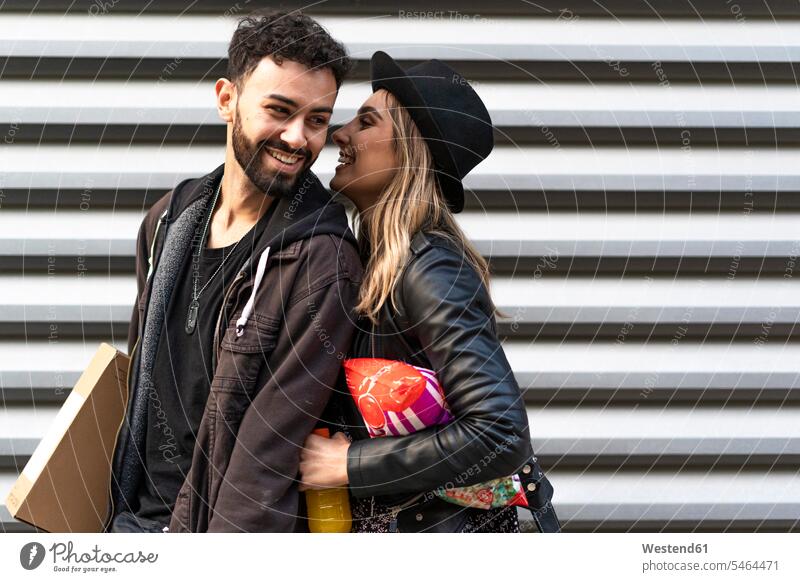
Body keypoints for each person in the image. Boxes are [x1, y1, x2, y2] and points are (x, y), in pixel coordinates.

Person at [106, 11, 363, 533]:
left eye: (317, 119)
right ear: (227, 99)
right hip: (132, 523)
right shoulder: (167, 223)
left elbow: (266, 460)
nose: (298, 139)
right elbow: (141, 386)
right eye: (280, 110)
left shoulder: (321, 261)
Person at [298, 52, 559, 533]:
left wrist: (348, 465)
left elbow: (501, 433)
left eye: (366, 122)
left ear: (408, 152)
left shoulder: (430, 268)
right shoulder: (375, 262)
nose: (340, 133)